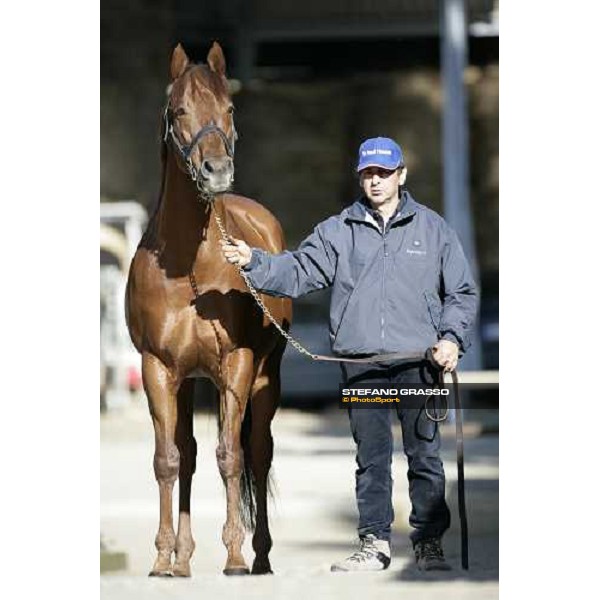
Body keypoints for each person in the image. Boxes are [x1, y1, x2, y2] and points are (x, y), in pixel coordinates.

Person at [220, 137, 478, 572]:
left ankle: (429, 542)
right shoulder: (337, 231)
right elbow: (299, 271)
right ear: (360, 177)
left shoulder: (434, 231)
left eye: (383, 173)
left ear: (401, 176)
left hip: (422, 364)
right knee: (372, 459)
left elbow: (461, 293)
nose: (375, 181)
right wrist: (255, 261)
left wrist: (451, 339)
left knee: (425, 458)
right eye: (368, 174)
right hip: (363, 368)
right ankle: (374, 543)